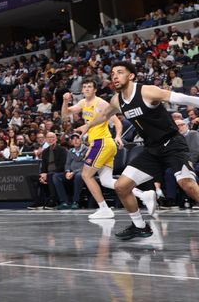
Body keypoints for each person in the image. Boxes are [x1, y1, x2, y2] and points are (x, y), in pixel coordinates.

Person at [89, 61, 199, 240]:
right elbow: (104, 115)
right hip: (151, 150)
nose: (114, 76)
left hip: (172, 144)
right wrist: (87, 126)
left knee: (187, 185)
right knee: (121, 186)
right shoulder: (117, 99)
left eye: (119, 72)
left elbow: (179, 98)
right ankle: (140, 226)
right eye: (113, 74)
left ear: (131, 76)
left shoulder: (146, 91)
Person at [62, 77, 156, 219]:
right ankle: (144, 195)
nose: (86, 89)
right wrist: (64, 101)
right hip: (99, 144)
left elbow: (117, 121)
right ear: (81, 90)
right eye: (85, 87)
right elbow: (65, 114)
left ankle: (104, 209)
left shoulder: (100, 103)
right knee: (106, 181)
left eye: (89, 87)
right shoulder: (82, 103)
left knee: (86, 175)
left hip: (103, 143)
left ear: (95, 90)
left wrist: (118, 136)